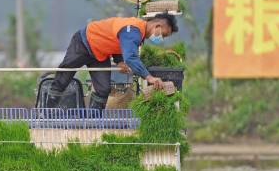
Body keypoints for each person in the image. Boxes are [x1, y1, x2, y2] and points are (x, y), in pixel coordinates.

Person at [45, 13, 179, 110]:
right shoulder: (132, 30)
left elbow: (118, 43)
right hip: (84, 42)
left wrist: (119, 61)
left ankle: (92, 123)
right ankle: (45, 115)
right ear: (158, 25)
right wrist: (149, 77)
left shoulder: (138, 31)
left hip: (100, 55)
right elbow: (131, 57)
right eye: (164, 34)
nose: (161, 38)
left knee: (103, 89)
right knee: (63, 77)